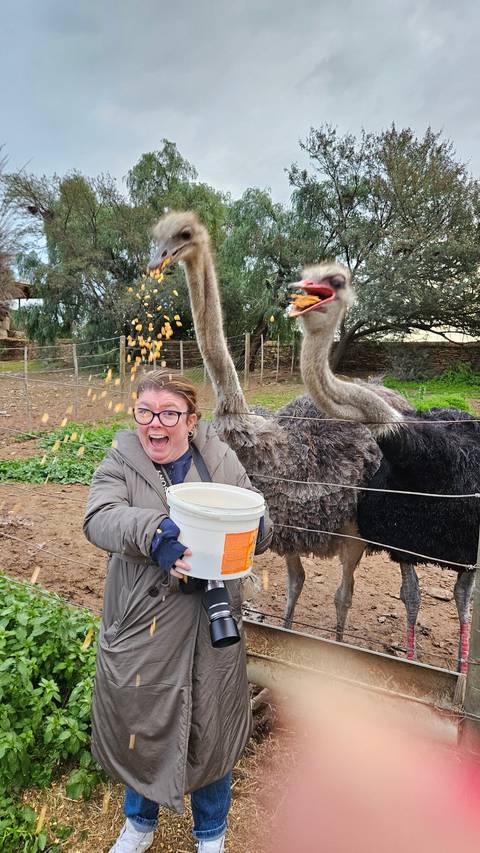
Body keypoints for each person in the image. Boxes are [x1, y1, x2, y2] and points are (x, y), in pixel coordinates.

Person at [83, 369, 272, 853]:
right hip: (142, 625)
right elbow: (100, 517)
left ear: (191, 419)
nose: (155, 424)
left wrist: (254, 528)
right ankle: (139, 825)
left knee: (209, 729)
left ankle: (210, 834)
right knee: (142, 725)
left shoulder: (218, 458)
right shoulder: (121, 459)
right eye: (145, 412)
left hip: (211, 628)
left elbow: (257, 517)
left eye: (169, 413)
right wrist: (154, 532)